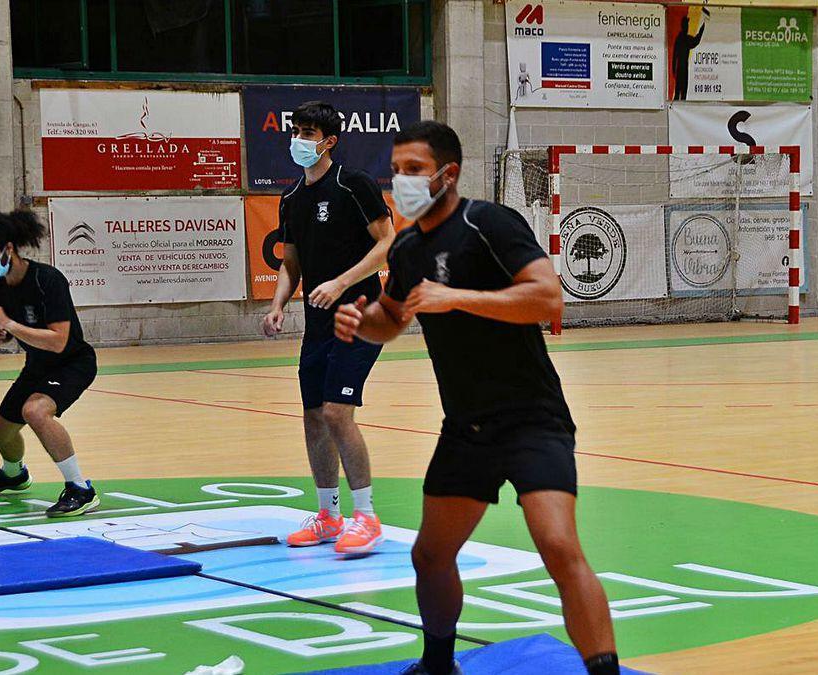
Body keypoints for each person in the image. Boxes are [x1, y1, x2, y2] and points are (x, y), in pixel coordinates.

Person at [334, 121, 619, 675]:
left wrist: (457, 297)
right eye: (396, 170)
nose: (401, 180)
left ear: (449, 174)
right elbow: (392, 319)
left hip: (532, 419)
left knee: (558, 546)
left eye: (414, 170)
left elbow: (547, 299)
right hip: (466, 426)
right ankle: (438, 663)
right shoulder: (411, 247)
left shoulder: (487, 222)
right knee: (430, 555)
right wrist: (358, 321)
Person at [262, 100, 396, 555]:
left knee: (338, 412)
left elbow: (387, 242)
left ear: (329, 141)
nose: (298, 140)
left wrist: (341, 281)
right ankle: (328, 516)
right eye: (295, 130)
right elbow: (291, 264)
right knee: (314, 416)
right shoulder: (291, 198)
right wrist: (279, 304)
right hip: (318, 323)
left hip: (361, 313)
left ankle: (367, 517)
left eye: (308, 133)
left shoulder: (353, 184)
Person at [0, 210, 100, 518]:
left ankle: (81, 489)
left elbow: (57, 340)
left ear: (9, 249)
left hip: (72, 363)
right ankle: (14, 474)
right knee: (1, 430)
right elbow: (15, 330)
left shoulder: (48, 280)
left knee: (35, 411)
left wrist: (9, 325)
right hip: (38, 364)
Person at [671, 11, 707, 101]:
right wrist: (701, 30)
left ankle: (678, 106)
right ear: (684, 26)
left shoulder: (680, 38)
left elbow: (675, 55)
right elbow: (695, 41)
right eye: (687, 25)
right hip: (681, 68)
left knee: (680, 90)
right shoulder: (684, 38)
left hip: (680, 68)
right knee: (682, 90)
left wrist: (673, 68)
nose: (687, 27)